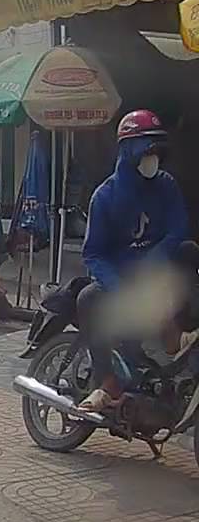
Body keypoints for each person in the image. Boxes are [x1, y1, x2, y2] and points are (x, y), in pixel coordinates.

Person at [77, 109, 198, 411]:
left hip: (155, 273)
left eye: (156, 150)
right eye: (147, 149)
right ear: (127, 150)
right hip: (118, 278)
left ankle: (178, 334)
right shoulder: (104, 197)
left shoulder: (166, 184)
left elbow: (179, 228)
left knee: (188, 250)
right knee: (87, 298)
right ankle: (106, 382)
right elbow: (93, 254)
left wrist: (155, 258)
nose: (152, 157)